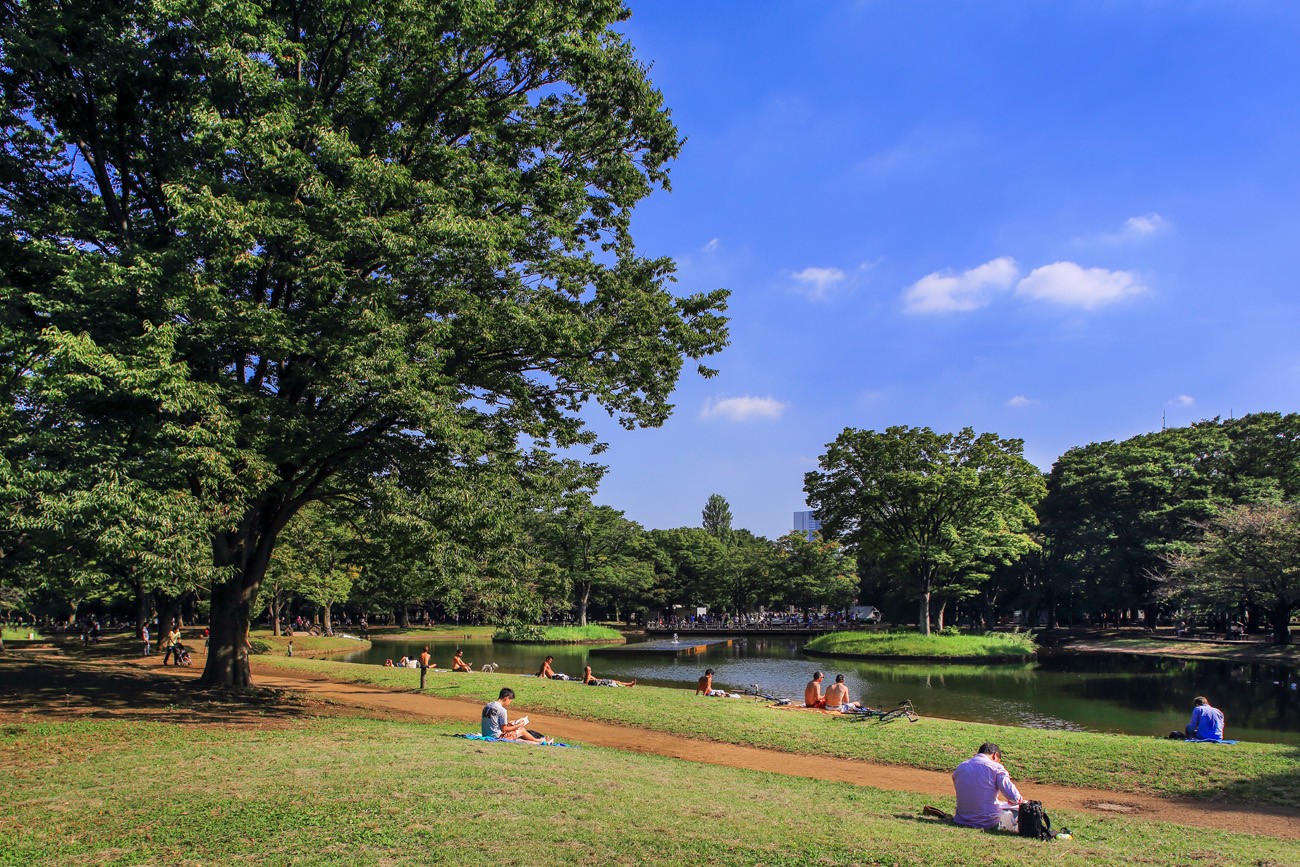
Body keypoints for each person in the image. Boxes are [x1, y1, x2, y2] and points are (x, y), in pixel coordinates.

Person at [950, 743, 1025, 832]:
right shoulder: (997, 768)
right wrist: (1020, 800)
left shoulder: (960, 767)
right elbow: (1014, 797)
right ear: (995, 755)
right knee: (1020, 809)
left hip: (961, 820)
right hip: (987, 823)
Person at [481, 687, 547, 743]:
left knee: (514, 727)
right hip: (496, 736)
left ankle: (536, 740)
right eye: (510, 700)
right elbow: (504, 730)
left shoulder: (488, 705)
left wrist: (510, 723)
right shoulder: (502, 710)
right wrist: (519, 725)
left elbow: (493, 722)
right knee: (522, 730)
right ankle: (538, 741)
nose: (510, 703)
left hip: (485, 734)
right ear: (506, 698)